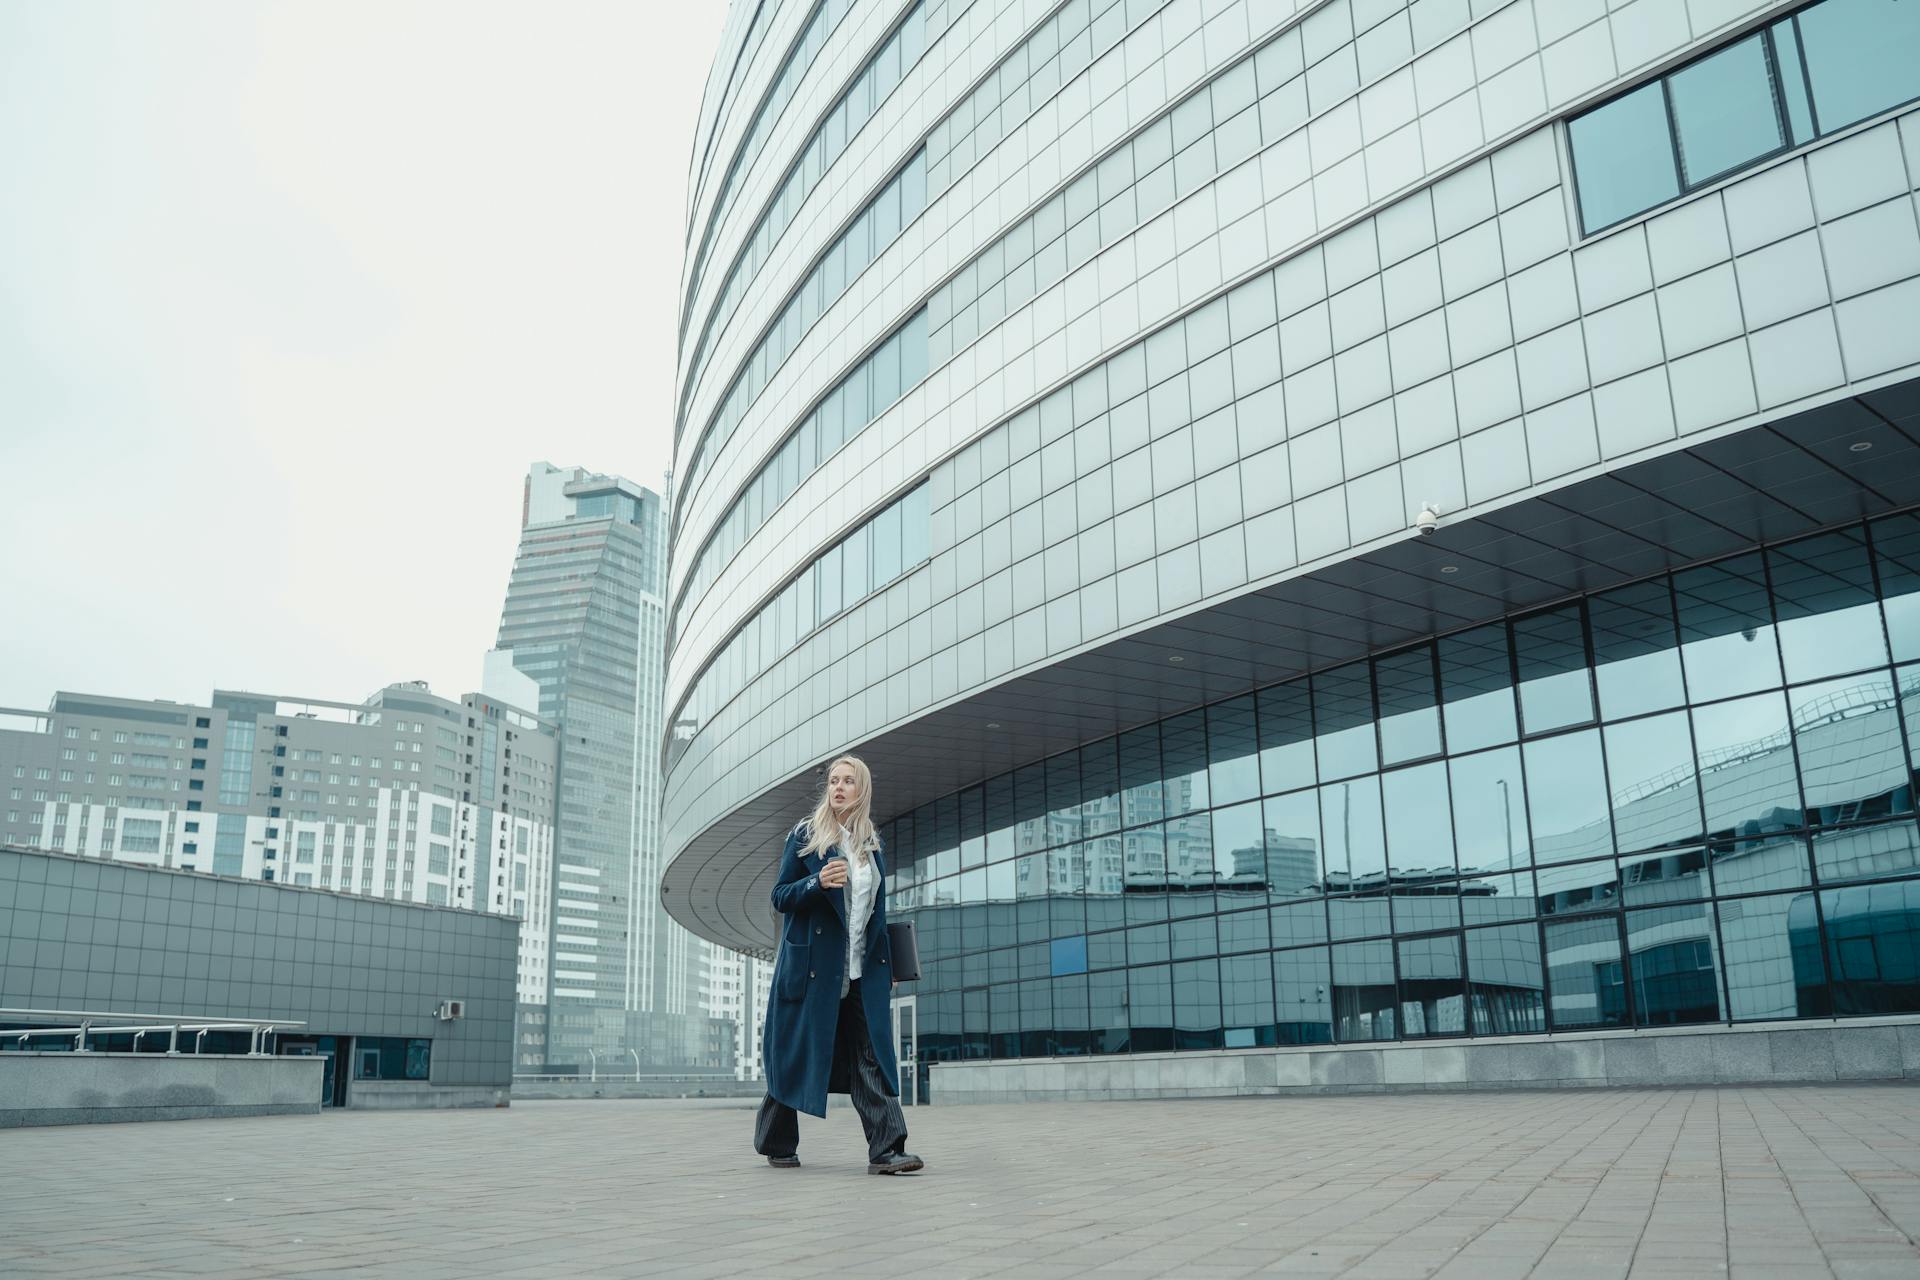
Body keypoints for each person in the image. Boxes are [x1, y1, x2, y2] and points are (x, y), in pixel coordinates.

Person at [754, 755, 924, 1174]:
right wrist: (816, 883)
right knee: (794, 1054)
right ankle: (776, 1140)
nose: (839, 787)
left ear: (861, 789)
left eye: (848, 781)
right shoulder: (806, 837)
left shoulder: (871, 847)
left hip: (861, 973)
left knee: (871, 1056)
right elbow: (779, 897)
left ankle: (886, 1149)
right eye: (833, 781)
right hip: (811, 972)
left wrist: (889, 968)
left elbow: (873, 917)